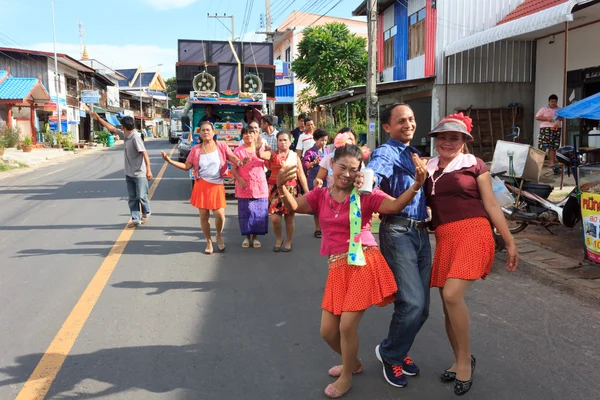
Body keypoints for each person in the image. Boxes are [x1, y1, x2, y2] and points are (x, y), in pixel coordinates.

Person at [276, 144, 427, 398]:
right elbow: (295, 206)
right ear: (332, 164)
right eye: (342, 167)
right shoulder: (320, 195)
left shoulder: (364, 192)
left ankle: (347, 376)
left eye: (353, 169)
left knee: (346, 326)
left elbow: (393, 206)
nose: (346, 174)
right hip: (337, 266)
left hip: (363, 261)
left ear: (360, 171)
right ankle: (353, 362)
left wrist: (415, 186)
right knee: (327, 331)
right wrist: (281, 187)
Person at [424, 113, 519, 395]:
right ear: (435, 140)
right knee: (446, 303)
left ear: (464, 141)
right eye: (443, 137)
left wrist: (510, 241)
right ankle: (457, 358)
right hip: (444, 237)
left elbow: (491, 204)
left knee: (453, 295)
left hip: (474, 232)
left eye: (455, 137)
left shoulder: (475, 165)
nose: (448, 142)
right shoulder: (427, 167)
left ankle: (465, 361)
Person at [367, 103, 430, 388]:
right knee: (412, 302)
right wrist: (365, 182)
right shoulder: (386, 152)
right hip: (398, 231)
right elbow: (371, 178)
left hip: (421, 233)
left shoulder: (414, 154)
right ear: (387, 127)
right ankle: (391, 355)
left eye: (412, 119)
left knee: (423, 307)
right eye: (401, 120)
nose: (409, 124)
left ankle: (398, 348)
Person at [160, 121, 250, 254]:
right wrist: (169, 161)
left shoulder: (221, 145)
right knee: (204, 216)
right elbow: (186, 167)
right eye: (203, 130)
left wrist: (239, 162)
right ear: (200, 133)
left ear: (213, 132)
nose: (206, 132)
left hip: (217, 185)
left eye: (208, 130)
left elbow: (231, 157)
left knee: (220, 215)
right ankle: (208, 241)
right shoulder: (196, 150)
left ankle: (218, 235)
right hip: (201, 185)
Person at [86, 106, 152, 227]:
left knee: (141, 196)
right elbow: (111, 128)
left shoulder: (135, 137)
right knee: (132, 198)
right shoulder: (126, 135)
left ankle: (146, 212)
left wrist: (148, 170)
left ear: (124, 127)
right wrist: (98, 119)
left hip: (139, 173)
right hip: (129, 173)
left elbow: (144, 153)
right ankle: (135, 218)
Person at [257, 131, 309, 252]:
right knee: (275, 219)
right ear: (277, 142)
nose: (282, 142)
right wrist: (259, 147)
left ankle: (288, 241)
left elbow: (301, 175)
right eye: (280, 140)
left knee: (289, 218)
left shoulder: (294, 156)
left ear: (290, 142)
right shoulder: (272, 154)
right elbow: (260, 155)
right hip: (275, 189)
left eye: (285, 140)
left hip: (291, 189)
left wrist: (308, 192)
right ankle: (279, 239)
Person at [230, 126, 269, 248]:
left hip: (260, 185)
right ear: (242, 136)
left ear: (255, 134)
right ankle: (247, 237)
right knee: (246, 212)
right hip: (244, 185)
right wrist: (239, 179)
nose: (248, 135)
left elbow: (269, 164)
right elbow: (233, 169)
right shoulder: (238, 151)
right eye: (245, 134)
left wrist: (268, 153)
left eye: (251, 133)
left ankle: (256, 237)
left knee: (258, 212)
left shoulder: (262, 149)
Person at [302, 128, 330, 238]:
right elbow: (305, 166)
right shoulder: (310, 152)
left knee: (327, 205)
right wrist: (314, 162)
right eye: (322, 140)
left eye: (326, 140)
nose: (323, 143)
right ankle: (318, 228)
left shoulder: (327, 151)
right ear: (315, 140)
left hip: (326, 181)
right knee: (317, 207)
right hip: (315, 181)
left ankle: (325, 227)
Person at [535, 94, 562, 169]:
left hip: (556, 129)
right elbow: (537, 117)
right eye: (552, 101)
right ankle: (538, 163)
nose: (553, 103)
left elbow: (562, 118)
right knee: (543, 146)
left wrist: (558, 121)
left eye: (555, 101)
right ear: (548, 101)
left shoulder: (559, 109)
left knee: (553, 146)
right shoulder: (543, 109)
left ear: (557, 102)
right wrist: (547, 119)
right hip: (545, 128)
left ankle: (552, 163)